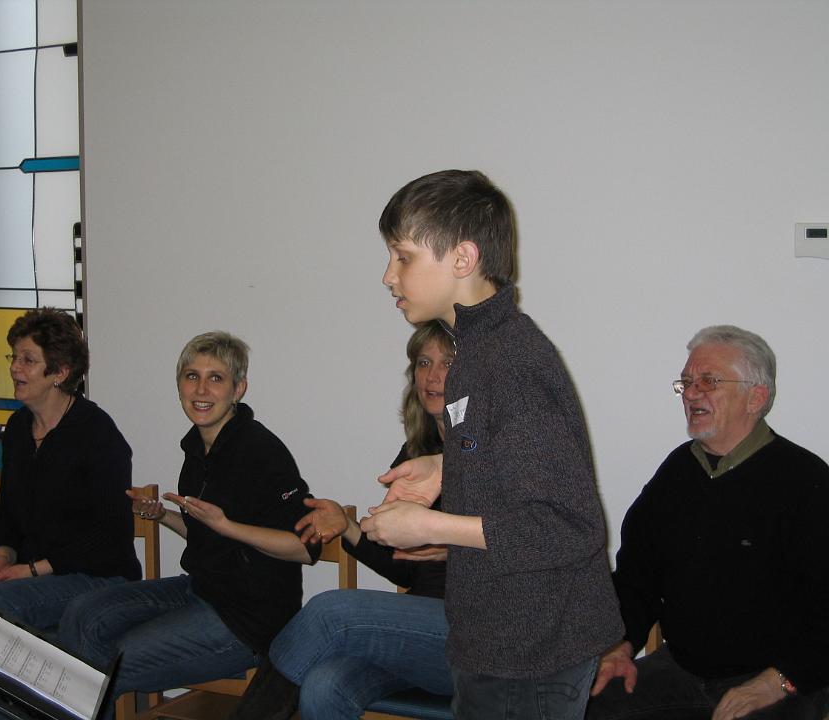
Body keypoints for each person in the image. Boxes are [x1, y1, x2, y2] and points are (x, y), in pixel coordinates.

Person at [360, 169, 624, 719]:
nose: (388, 276)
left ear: (462, 259)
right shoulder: (477, 351)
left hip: (532, 653)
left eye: (403, 257)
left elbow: (567, 526)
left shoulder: (509, 365)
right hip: (498, 638)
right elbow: (512, 456)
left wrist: (429, 525)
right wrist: (447, 465)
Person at [57, 331, 321, 718]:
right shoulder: (197, 448)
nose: (201, 389)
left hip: (249, 622)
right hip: (200, 590)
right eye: (191, 376)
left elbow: (305, 548)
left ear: (238, 389)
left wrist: (226, 525)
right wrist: (162, 516)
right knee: (83, 613)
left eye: (216, 378)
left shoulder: (261, 451)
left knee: (102, 666)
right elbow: (207, 533)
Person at [586, 325, 829, 720]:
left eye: (708, 381)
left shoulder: (806, 481)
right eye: (686, 383)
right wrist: (620, 645)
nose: (691, 393)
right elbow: (635, 578)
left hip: (779, 681)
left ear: (756, 397)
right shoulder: (677, 473)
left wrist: (779, 680)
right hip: (681, 671)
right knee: (586, 703)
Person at [0, 307, 140, 719]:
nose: (15, 368)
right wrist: (3, 555)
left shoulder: (97, 434)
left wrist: (33, 569)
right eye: (14, 357)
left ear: (59, 372)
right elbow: (6, 509)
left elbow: (109, 535)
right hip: (31, 574)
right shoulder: (19, 429)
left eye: (28, 360)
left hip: (96, 578)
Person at [231, 322, 455, 720]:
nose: (433, 376)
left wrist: (456, 549)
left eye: (448, 363)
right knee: (324, 685)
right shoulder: (415, 454)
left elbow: (525, 545)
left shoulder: (492, 453)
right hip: (419, 632)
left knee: (331, 612)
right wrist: (347, 527)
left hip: (474, 638)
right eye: (424, 363)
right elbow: (402, 567)